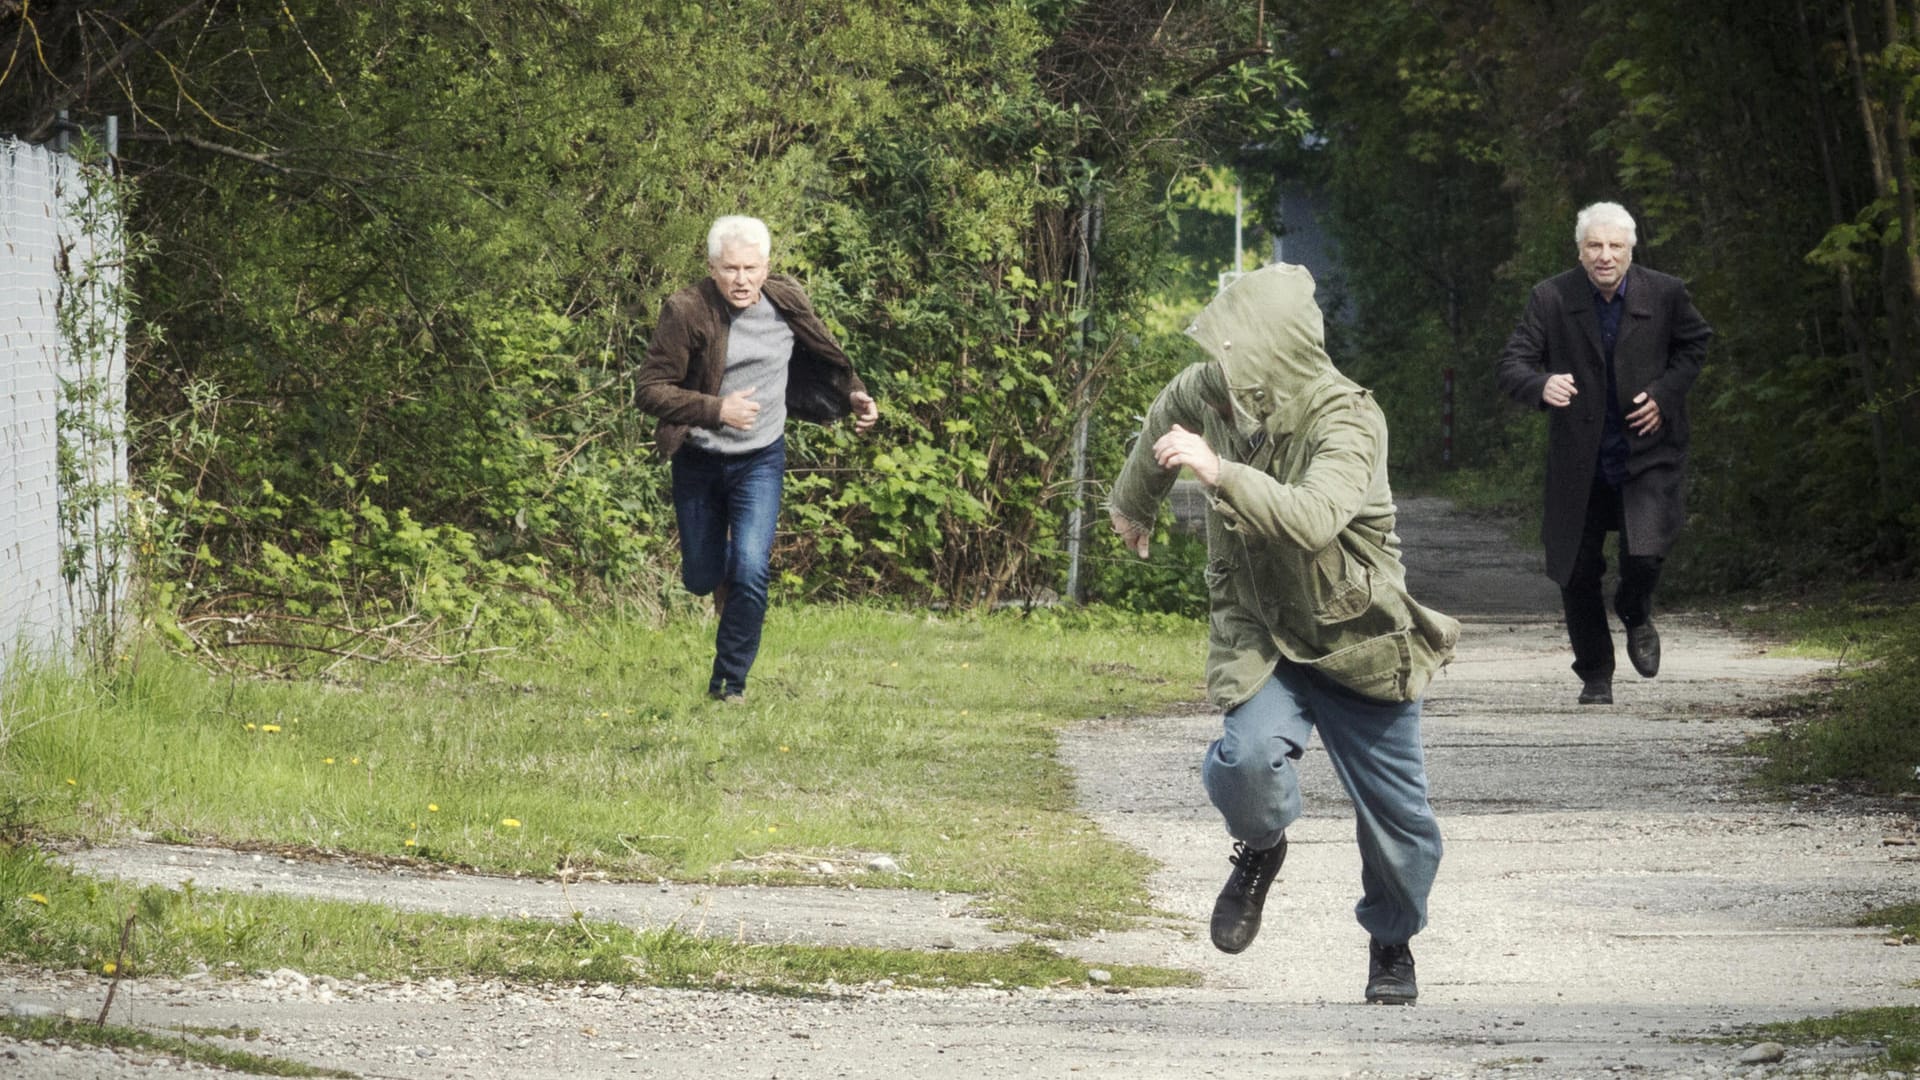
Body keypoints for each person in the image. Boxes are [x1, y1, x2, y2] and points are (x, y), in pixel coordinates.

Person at [1107, 263, 1458, 1005]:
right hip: (1261, 624)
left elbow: (1311, 519)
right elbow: (1170, 407)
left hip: (1356, 632)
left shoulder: (1350, 420)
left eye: (1239, 361)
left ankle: (1391, 937)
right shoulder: (1216, 391)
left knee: (1401, 824)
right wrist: (1135, 500)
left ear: (1277, 357)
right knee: (1244, 764)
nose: (1223, 381)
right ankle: (1261, 850)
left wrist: (1217, 471)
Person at [634, 215, 878, 703]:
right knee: (702, 578)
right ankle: (718, 575)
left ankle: (729, 685)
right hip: (700, 460)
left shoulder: (786, 301)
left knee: (751, 568)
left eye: (751, 268)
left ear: (767, 267)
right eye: (729, 269)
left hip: (760, 459)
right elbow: (649, 390)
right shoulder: (686, 310)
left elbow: (826, 354)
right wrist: (715, 409)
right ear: (711, 267)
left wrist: (854, 394)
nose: (741, 280)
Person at [1495, 202, 1713, 706]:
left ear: (1631, 250)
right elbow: (1513, 363)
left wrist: (1663, 394)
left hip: (1649, 452)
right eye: (1595, 245)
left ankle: (1634, 609)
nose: (1605, 256)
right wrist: (1541, 383)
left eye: (1615, 246)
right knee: (1576, 567)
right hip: (1581, 457)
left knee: (1645, 554)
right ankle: (1595, 673)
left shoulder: (1667, 293)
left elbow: (1695, 346)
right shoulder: (1551, 297)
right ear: (1580, 250)